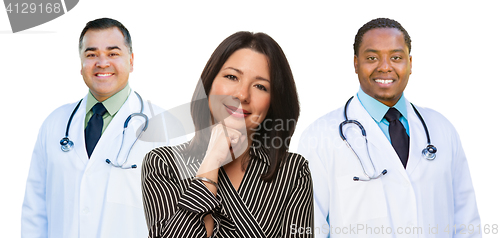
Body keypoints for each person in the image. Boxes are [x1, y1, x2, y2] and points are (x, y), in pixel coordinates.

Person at [298, 18, 480, 237]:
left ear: (410, 63)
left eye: (396, 57)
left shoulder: (442, 130)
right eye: (372, 57)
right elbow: (310, 228)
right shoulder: (320, 137)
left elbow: (466, 221)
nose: (385, 67)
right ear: (356, 63)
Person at [21, 18, 183, 238]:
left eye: (113, 53)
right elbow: (35, 210)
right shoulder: (55, 124)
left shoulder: (164, 127)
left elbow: (183, 216)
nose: (102, 62)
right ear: (81, 64)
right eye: (91, 54)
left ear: (131, 61)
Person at [142, 31, 314, 238]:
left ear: (274, 101)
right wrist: (211, 163)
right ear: (209, 83)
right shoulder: (163, 163)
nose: (242, 94)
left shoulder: (293, 172)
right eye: (232, 77)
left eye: (260, 86)